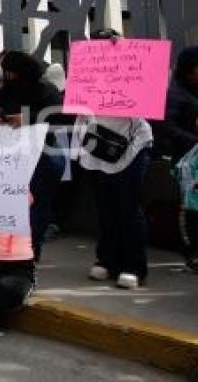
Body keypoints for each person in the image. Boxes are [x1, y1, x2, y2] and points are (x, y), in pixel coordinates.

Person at [68, 30, 153, 289]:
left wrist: (124, 50)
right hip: (96, 147)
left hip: (131, 146)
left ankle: (133, 266)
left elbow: (148, 90)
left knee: (128, 208)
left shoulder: (132, 70)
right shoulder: (84, 73)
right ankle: (107, 260)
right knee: (105, 208)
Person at [0, 50, 68, 262]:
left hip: (43, 156)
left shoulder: (46, 90)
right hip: (13, 157)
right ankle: (14, 248)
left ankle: (31, 249)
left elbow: (58, 117)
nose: (7, 76)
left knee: (37, 207)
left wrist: (27, 119)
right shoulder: (6, 90)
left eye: (10, 71)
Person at [154, 46, 198, 271]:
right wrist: (193, 141)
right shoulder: (175, 94)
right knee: (190, 209)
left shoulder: (191, 91)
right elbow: (167, 127)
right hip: (187, 162)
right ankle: (192, 252)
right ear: (190, 69)